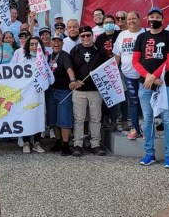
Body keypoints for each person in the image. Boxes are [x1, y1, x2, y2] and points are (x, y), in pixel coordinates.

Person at [132, 7, 169, 167]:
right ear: (147, 19)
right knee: (148, 119)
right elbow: (135, 61)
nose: (154, 19)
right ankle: (149, 153)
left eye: (157, 16)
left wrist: (154, 76)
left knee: (167, 119)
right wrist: (148, 77)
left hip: (165, 85)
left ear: (162, 20)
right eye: (152, 16)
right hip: (145, 85)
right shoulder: (141, 37)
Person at [69, 26, 108, 156]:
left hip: (95, 90)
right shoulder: (74, 50)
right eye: (83, 36)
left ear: (92, 36)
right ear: (80, 37)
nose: (85, 38)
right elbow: (70, 68)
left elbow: (106, 69)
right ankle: (77, 144)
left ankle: (95, 144)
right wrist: (74, 81)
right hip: (79, 91)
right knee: (79, 119)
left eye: (88, 35)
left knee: (96, 118)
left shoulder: (100, 50)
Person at [11, 36, 53, 153]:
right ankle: (26, 142)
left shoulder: (45, 58)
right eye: (32, 44)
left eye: (36, 44)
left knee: (38, 116)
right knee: (26, 116)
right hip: (26, 94)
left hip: (39, 94)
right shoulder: (23, 60)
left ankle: (37, 142)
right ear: (28, 47)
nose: (34, 46)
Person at [114, 11, 144, 139]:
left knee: (144, 101)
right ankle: (135, 128)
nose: (131, 21)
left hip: (144, 74)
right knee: (133, 101)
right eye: (129, 19)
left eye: (134, 18)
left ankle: (147, 128)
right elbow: (117, 55)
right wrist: (114, 73)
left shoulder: (145, 33)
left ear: (139, 19)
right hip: (128, 74)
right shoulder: (122, 35)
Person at [47, 32, 76, 156]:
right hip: (50, 91)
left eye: (59, 41)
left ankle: (66, 145)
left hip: (63, 91)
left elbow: (69, 69)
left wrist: (73, 80)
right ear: (50, 43)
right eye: (54, 41)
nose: (56, 43)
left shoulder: (65, 56)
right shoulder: (48, 56)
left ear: (62, 43)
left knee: (64, 118)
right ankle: (58, 142)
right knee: (52, 118)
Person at [95, 14, 125, 130]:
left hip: (120, 69)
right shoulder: (100, 38)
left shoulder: (119, 35)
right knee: (110, 96)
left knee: (123, 95)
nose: (108, 24)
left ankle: (123, 120)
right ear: (103, 25)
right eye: (106, 22)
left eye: (110, 22)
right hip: (106, 70)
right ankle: (110, 119)